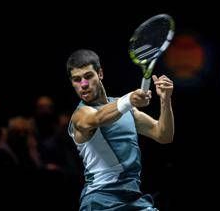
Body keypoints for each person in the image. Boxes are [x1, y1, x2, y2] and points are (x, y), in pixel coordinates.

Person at [66, 49, 174, 210]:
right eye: (77, 80)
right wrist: (129, 99)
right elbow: (97, 118)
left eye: (88, 76)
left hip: (133, 198)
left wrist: (165, 100)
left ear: (100, 74)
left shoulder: (126, 110)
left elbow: (163, 135)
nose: (83, 84)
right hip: (100, 200)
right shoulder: (80, 115)